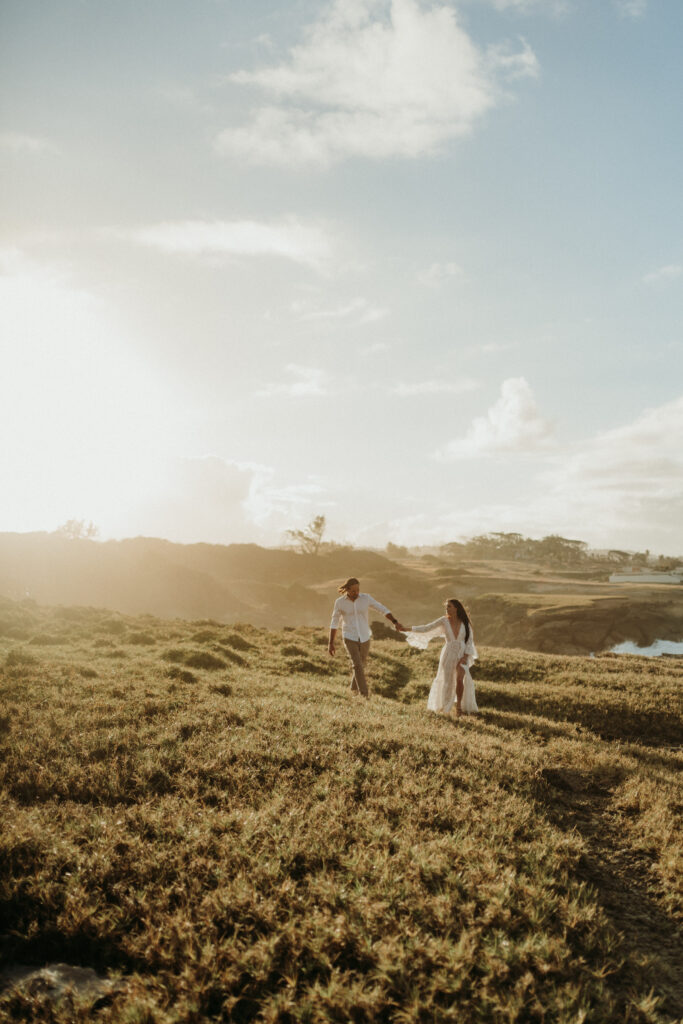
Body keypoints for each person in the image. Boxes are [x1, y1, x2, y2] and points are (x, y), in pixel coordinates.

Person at [329, 578, 405, 698]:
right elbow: (334, 622)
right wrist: (331, 643)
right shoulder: (339, 602)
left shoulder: (366, 598)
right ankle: (364, 695)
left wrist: (395, 621)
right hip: (349, 636)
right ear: (347, 590)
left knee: (361, 665)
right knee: (357, 665)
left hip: (364, 636)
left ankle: (353, 689)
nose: (356, 593)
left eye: (358, 590)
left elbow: (382, 609)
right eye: (353, 591)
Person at [402, 599, 478, 716]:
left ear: (456, 608)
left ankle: (458, 707)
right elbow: (426, 628)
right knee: (448, 681)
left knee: (460, 679)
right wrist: (407, 629)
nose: (447, 609)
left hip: (462, 654)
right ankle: (446, 706)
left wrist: (465, 657)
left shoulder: (465, 622)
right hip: (448, 654)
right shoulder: (444, 621)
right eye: (446, 607)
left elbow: (469, 640)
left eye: (449, 606)